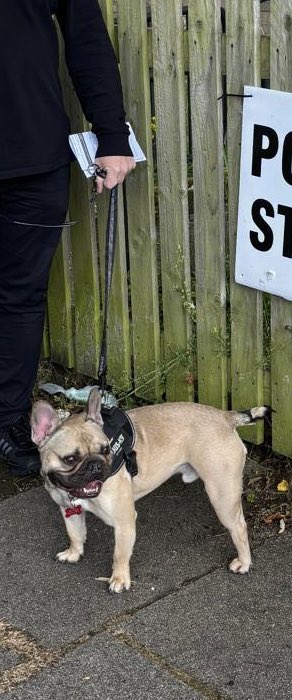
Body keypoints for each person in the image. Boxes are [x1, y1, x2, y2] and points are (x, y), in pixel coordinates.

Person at [0, 0, 136, 475]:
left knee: (19, 298)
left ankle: (6, 423)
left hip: (33, 160)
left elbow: (86, 40)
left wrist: (113, 136)